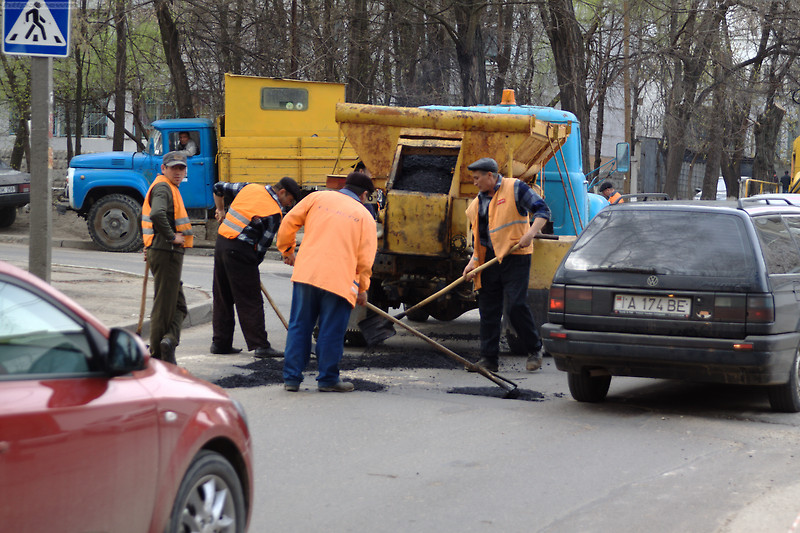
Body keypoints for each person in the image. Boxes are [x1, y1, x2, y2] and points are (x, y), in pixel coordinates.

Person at [277, 172, 378, 392]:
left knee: (299, 326)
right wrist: (362, 288)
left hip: (307, 273)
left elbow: (288, 222)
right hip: (339, 281)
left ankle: (292, 379)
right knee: (330, 330)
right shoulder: (364, 216)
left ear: (344, 186)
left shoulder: (317, 198)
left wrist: (287, 250)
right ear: (363, 194)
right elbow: (365, 259)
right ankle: (328, 379)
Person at [462, 157, 551, 373]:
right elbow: (479, 238)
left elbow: (542, 211)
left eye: (477, 178)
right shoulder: (477, 204)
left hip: (516, 256)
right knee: (488, 309)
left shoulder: (515, 188)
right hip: (489, 262)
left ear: (490, 176)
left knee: (515, 306)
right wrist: (473, 262)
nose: (474, 183)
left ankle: (535, 348)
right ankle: (488, 360)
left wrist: (530, 233)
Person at [211, 177, 301, 357]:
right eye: (289, 200)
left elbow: (218, 187)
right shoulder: (274, 213)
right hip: (240, 250)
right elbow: (261, 248)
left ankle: (220, 343)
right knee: (250, 299)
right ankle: (260, 345)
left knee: (223, 296)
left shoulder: (249, 187)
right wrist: (251, 269)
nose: (288, 205)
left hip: (221, 244)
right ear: (282, 192)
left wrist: (220, 210)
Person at [141, 151, 194, 363]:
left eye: (181, 168)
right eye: (174, 168)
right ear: (164, 169)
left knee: (179, 306)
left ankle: (169, 340)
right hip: (167, 252)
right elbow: (156, 214)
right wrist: (172, 237)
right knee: (163, 306)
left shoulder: (168, 187)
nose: (178, 172)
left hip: (162, 251)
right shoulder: (163, 187)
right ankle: (157, 354)